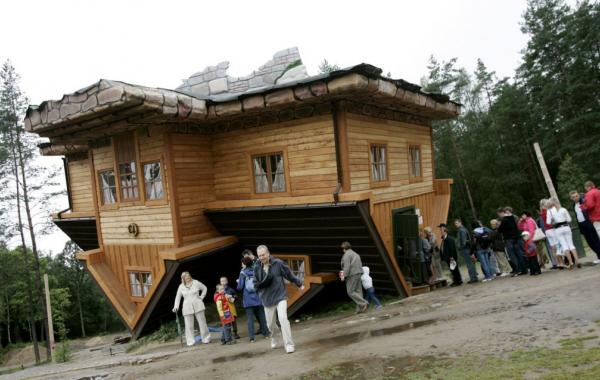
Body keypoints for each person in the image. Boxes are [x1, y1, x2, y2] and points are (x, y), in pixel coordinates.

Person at [254, 244, 305, 354]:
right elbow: (255, 283)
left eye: (263, 255)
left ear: (268, 253)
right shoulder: (257, 267)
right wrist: (259, 291)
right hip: (267, 299)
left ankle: (289, 344)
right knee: (270, 325)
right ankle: (274, 336)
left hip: (280, 296)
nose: (261, 257)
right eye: (259, 256)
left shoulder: (277, 263)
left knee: (283, 318)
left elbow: (289, 274)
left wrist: (299, 284)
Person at [172, 271, 211, 346]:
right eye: (186, 277)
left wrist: (201, 297)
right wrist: (176, 306)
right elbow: (178, 297)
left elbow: (204, 288)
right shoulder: (181, 286)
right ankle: (190, 341)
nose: (188, 278)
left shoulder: (196, 282)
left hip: (198, 305)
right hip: (187, 307)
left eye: (189, 276)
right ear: (183, 278)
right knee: (189, 325)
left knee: (202, 323)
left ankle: (206, 338)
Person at [237, 256, 270, 342]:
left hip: (248, 300)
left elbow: (240, 287)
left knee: (250, 319)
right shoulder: (256, 270)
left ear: (244, 263)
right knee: (262, 316)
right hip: (258, 297)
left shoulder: (243, 273)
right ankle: (266, 334)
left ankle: (252, 338)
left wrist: (238, 282)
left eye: (242, 263)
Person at [546, 197, 579, 269]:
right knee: (571, 245)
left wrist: (553, 221)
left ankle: (570, 262)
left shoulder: (550, 211)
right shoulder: (563, 209)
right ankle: (577, 261)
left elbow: (548, 223)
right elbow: (569, 220)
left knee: (564, 246)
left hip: (558, 229)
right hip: (566, 227)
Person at [570, 190, 600, 264]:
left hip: (589, 223)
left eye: (576, 196)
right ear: (571, 198)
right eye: (573, 197)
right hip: (582, 225)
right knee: (590, 242)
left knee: (595, 240)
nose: (575, 198)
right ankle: (598, 255)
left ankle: (599, 256)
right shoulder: (574, 205)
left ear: (579, 195)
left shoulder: (584, 201)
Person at [497, 207, 528, 276]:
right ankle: (524, 269)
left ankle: (518, 270)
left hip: (509, 239)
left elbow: (499, 230)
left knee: (512, 255)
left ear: (502, 213)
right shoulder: (513, 218)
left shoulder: (504, 220)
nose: (499, 216)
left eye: (499, 214)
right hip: (516, 238)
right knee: (519, 254)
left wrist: (500, 226)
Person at [340, 241, 369, 313]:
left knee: (350, 291)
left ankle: (364, 303)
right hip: (359, 273)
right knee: (358, 291)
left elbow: (347, 266)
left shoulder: (346, 255)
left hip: (352, 274)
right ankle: (360, 309)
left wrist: (344, 276)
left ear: (343, 248)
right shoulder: (356, 254)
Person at [454, 219, 478, 283]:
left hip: (465, 249)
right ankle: (474, 277)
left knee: (469, 264)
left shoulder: (461, 230)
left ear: (460, 223)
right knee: (470, 263)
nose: (455, 225)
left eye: (457, 223)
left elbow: (464, 241)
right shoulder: (463, 229)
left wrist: (460, 248)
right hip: (467, 248)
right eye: (455, 224)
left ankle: (473, 278)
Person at [540, 199, 560, 269]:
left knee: (552, 247)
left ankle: (556, 263)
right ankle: (560, 262)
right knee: (557, 245)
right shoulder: (547, 211)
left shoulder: (542, 212)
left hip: (547, 230)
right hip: (552, 229)